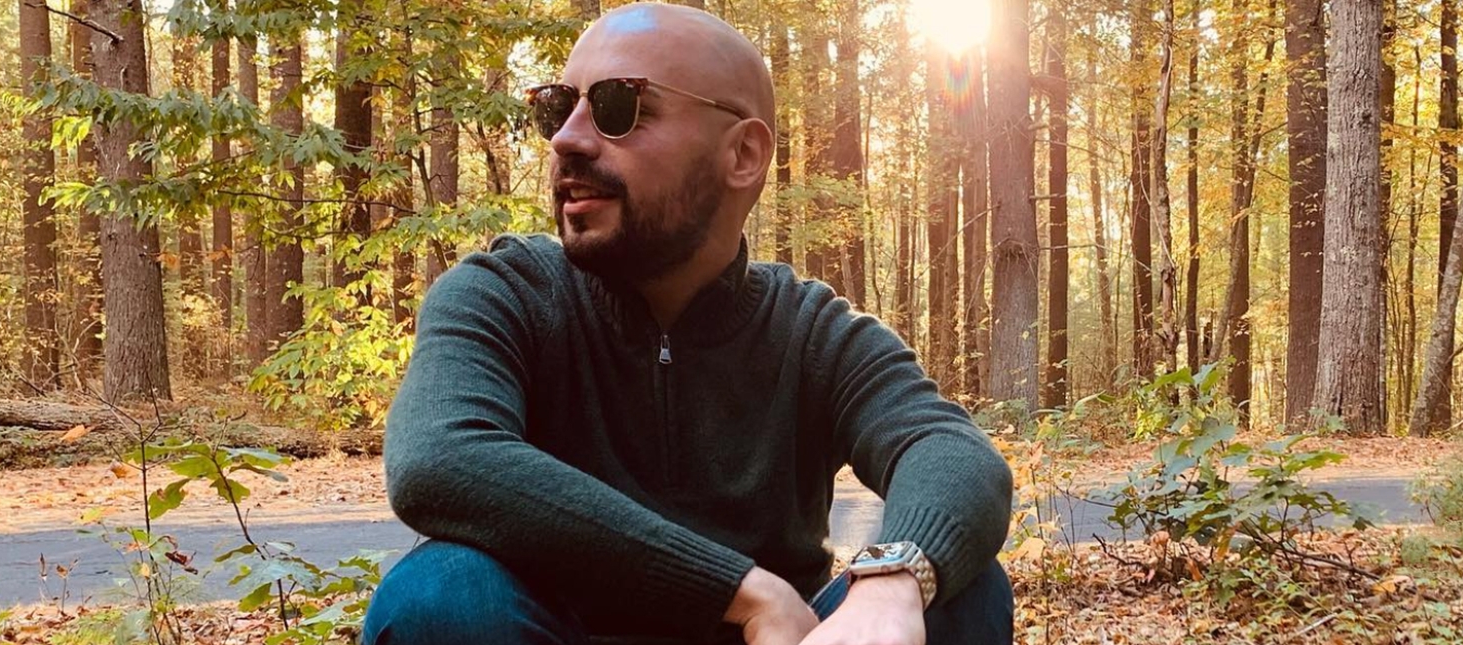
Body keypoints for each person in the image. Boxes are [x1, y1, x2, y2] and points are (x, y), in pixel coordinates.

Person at [362, 4, 1014, 644]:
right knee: (440, 595)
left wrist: (894, 578)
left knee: (961, 586)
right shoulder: (504, 294)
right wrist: (741, 591)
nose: (567, 138)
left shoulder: (813, 331)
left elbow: (952, 455)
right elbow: (439, 456)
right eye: (559, 108)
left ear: (743, 155)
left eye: (619, 107)